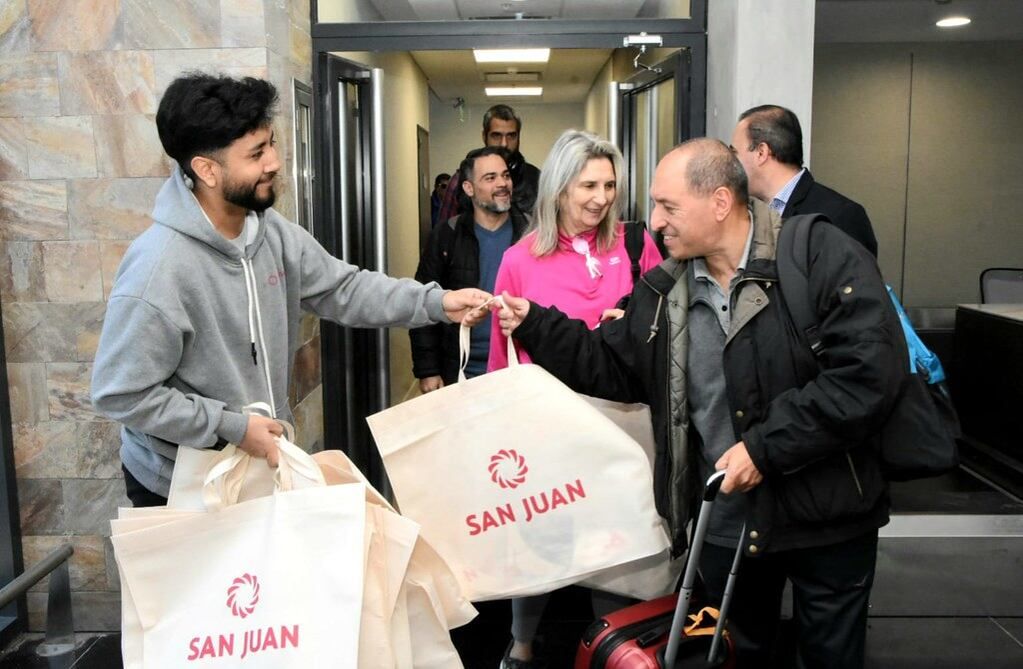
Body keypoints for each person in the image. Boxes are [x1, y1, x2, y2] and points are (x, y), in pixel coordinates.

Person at [493, 138, 908, 668]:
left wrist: (762, 450)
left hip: (830, 518)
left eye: (668, 207)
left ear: (719, 202)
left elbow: (868, 375)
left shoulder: (818, 253)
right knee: (732, 654)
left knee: (829, 657)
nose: (655, 222)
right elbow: (613, 365)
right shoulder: (667, 287)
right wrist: (535, 322)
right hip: (729, 524)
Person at [90, 75, 489, 506]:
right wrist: (231, 427)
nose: (275, 162)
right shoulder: (159, 267)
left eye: (272, 144)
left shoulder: (272, 233)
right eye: (256, 153)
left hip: (257, 468)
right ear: (207, 170)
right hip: (179, 486)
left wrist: (437, 302)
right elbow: (121, 392)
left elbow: (345, 288)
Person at [488, 129, 662, 668]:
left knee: (616, 545)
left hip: (619, 424)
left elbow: (664, 322)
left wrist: (631, 321)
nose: (601, 198)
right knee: (542, 539)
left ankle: (613, 649)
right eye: (588, 185)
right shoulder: (519, 260)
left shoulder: (635, 246)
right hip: (547, 431)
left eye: (609, 185)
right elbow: (501, 357)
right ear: (560, 188)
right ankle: (521, 644)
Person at [411, 148, 529, 392]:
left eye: (505, 175)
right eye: (490, 178)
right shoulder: (447, 235)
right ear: (469, 188)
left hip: (520, 367)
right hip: (463, 369)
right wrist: (428, 369)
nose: (502, 183)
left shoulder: (531, 233)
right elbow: (424, 301)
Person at [731, 104, 879, 256]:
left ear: (761, 153)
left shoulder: (841, 215)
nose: (730, 163)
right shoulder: (747, 213)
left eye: (734, 154)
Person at [435, 104, 541, 223]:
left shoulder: (537, 180)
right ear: (484, 137)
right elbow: (445, 230)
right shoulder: (460, 180)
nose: (504, 144)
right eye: (496, 136)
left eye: (511, 136)